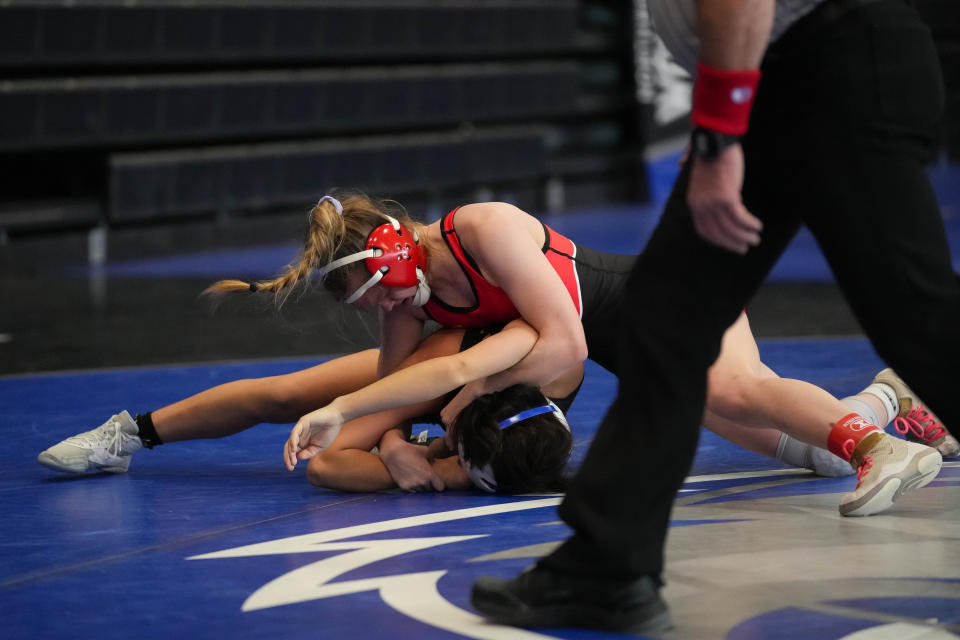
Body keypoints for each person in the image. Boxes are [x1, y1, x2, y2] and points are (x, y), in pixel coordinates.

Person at [468, 0, 960, 634]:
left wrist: (718, 134)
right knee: (665, 317)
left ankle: (605, 568)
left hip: (827, 73)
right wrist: (721, 126)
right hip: (774, 83)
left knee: (917, 314)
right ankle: (606, 570)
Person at [38, 193, 953, 498]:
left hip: (636, 303)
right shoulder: (410, 317)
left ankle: (874, 441)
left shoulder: (486, 230)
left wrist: (451, 400)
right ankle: (133, 432)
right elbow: (378, 415)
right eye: (367, 302)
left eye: (370, 290)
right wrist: (398, 439)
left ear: (393, 249)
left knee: (744, 393)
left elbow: (560, 343)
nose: (376, 309)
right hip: (550, 364)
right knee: (296, 395)